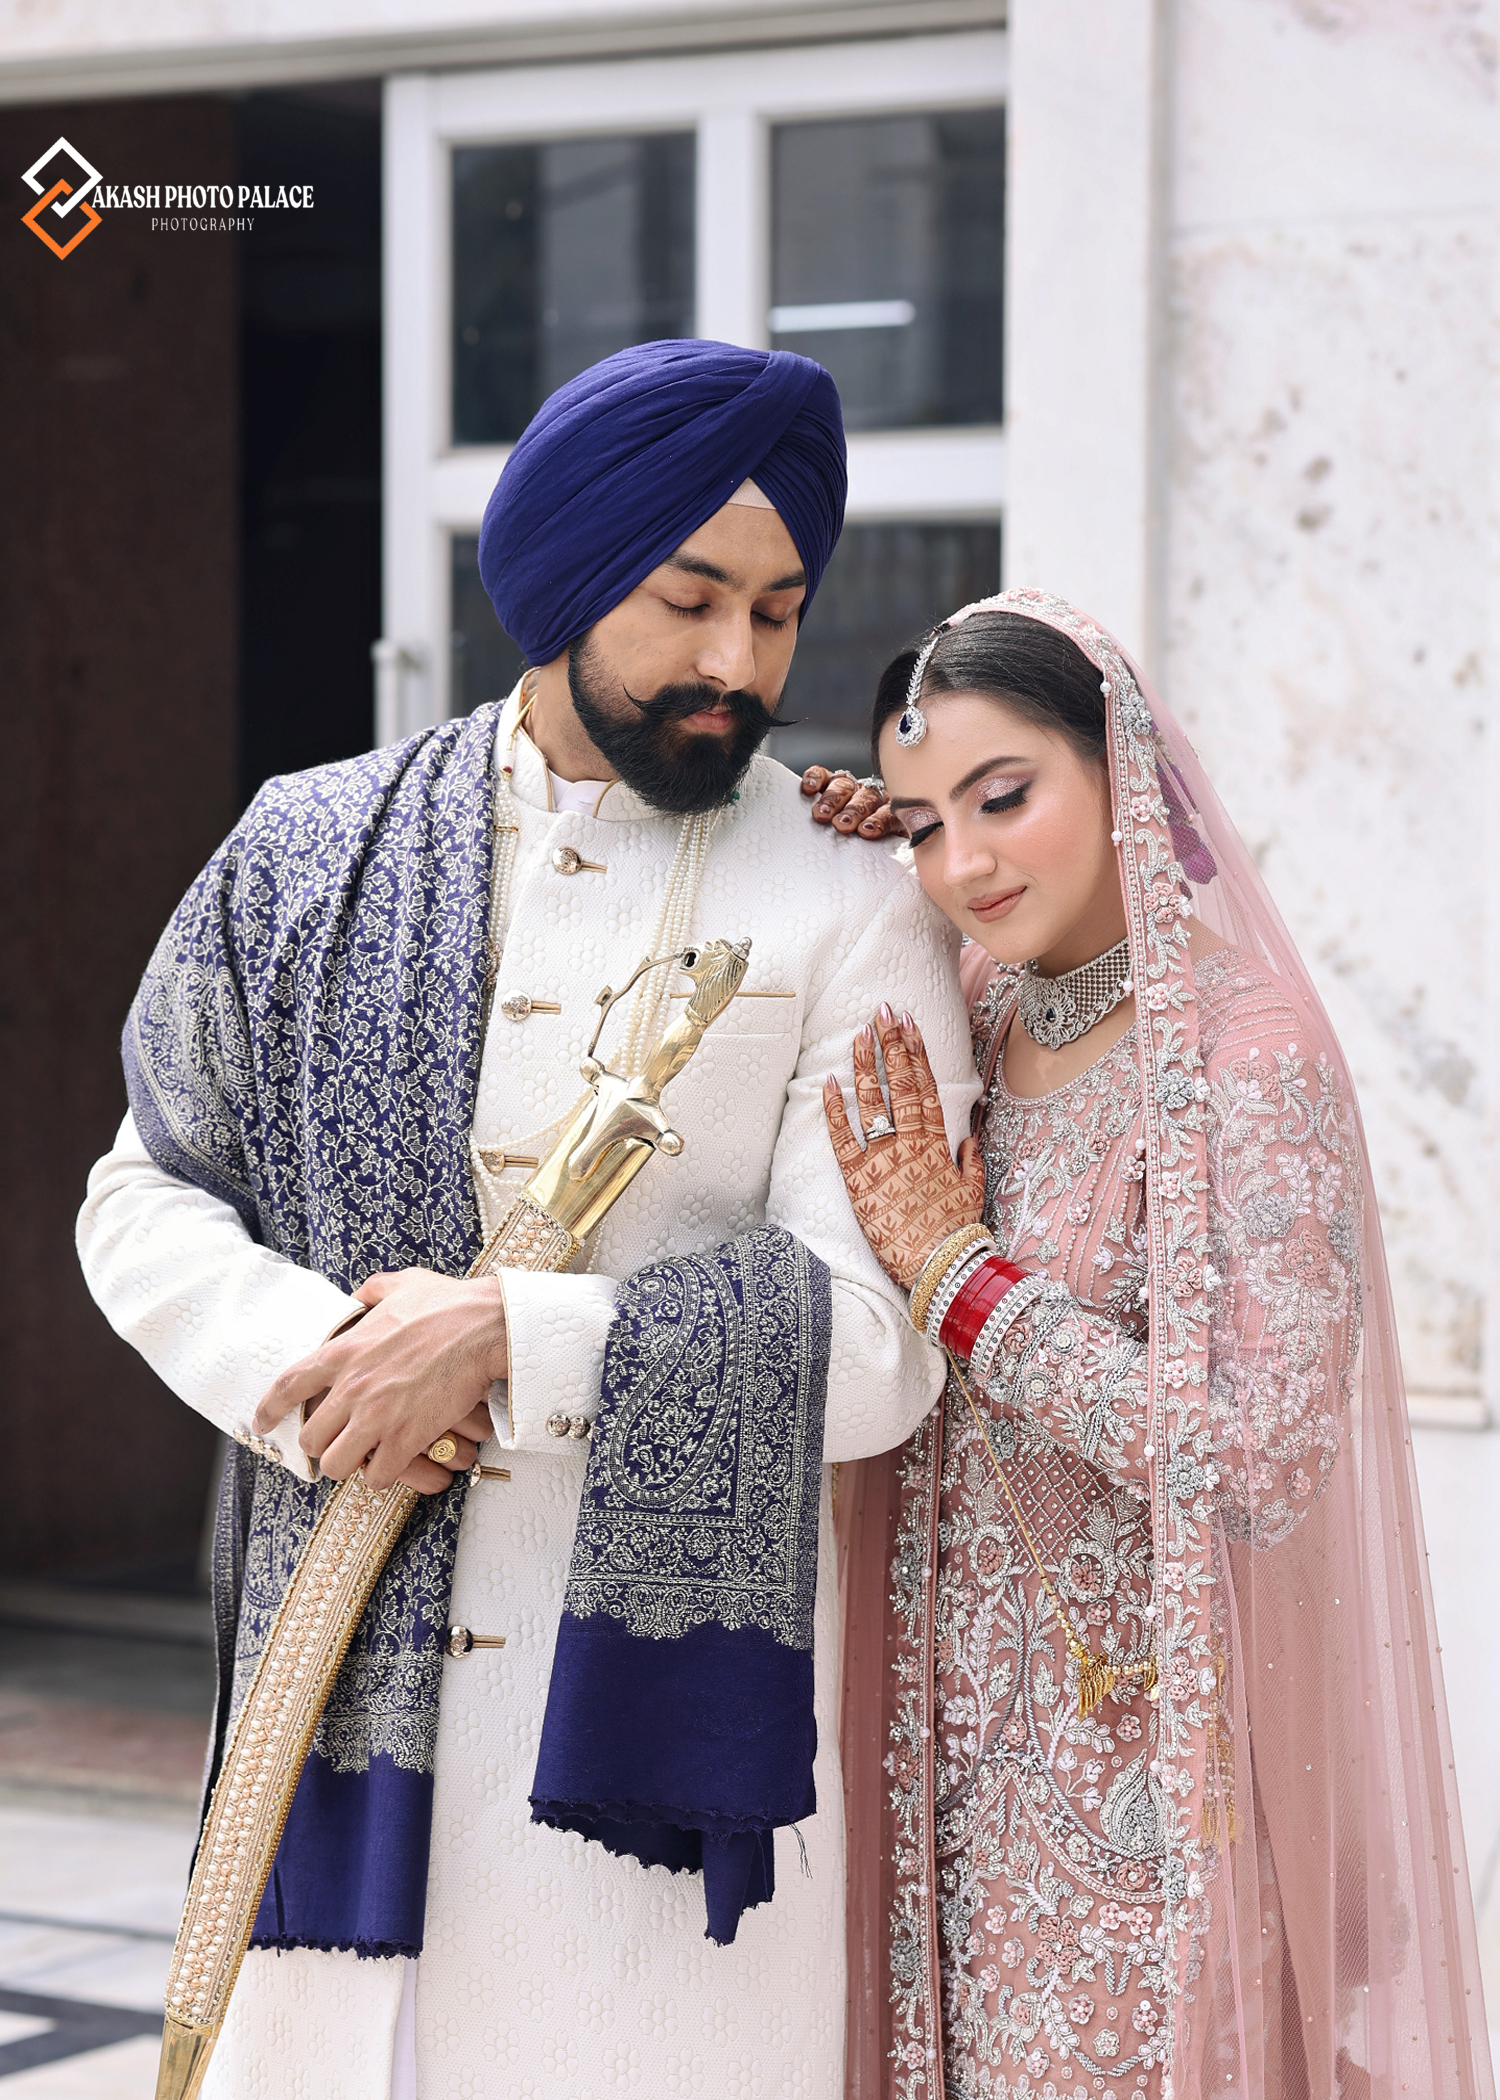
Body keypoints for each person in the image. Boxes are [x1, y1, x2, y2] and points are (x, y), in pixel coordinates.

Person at [74, 339, 977, 2100]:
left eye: (779, 612)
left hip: (650, 1786)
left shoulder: (851, 892)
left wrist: (504, 1343)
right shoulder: (306, 847)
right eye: (688, 601)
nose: (739, 664)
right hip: (337, 1688)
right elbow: (145, 1191)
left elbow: (878, 1350)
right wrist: (333, 1367)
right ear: (565, 580)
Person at [811, 589, 1495, 2100]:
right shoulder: (974, 1006)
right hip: (945, 1780)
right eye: (925, 823)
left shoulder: (1250, 1060)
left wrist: (963, 1283)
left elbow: (1258, 1454)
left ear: (1121, 765)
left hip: (1153, 1796)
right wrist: (837, 856)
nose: (964, 862)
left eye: (1004, 797)